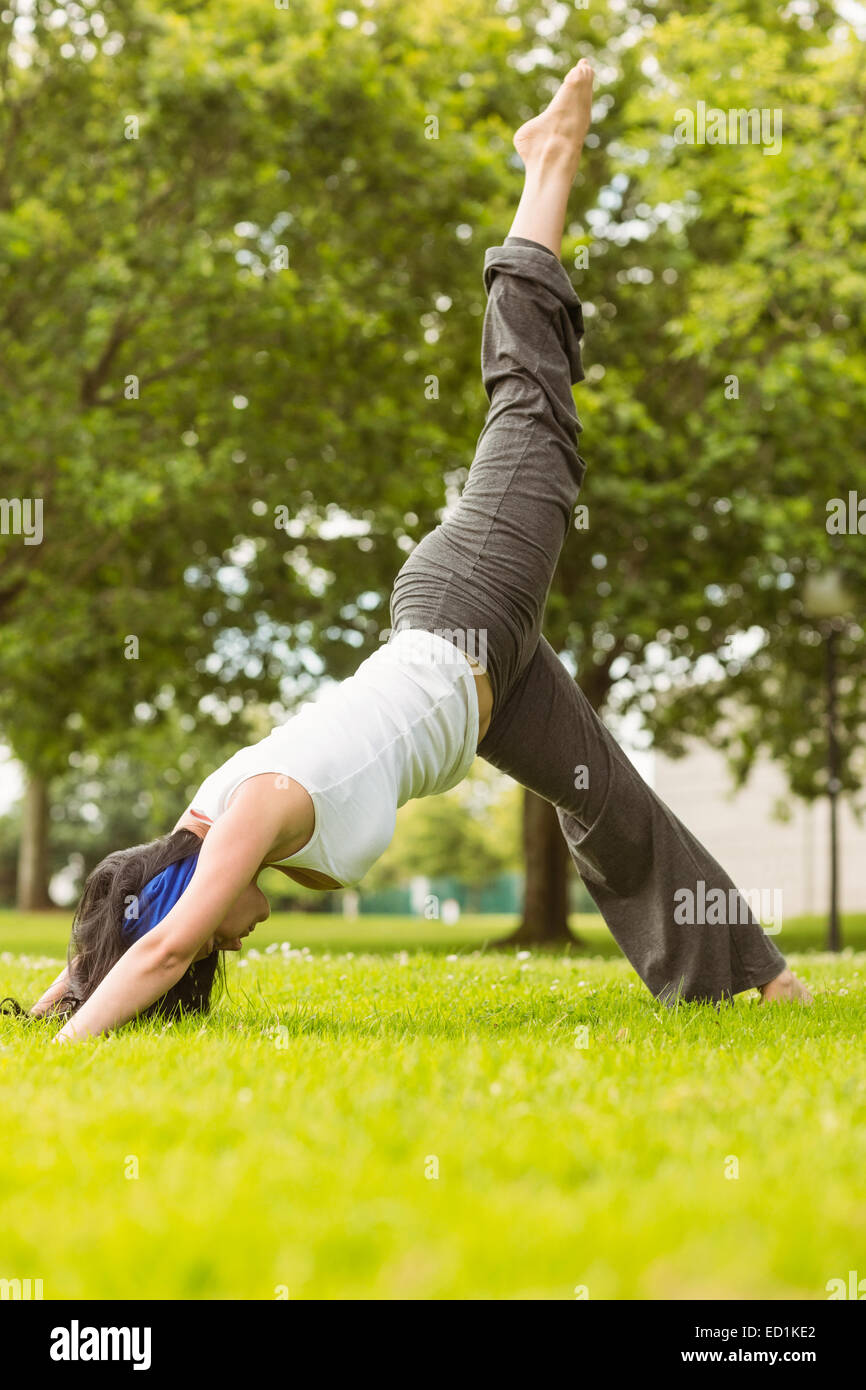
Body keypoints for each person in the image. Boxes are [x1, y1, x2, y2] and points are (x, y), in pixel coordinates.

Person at [29, 58, 809, 1042]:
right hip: (486, 684)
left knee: (533, 419)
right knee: (602, 800)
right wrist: (67, 983)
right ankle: (753, 981)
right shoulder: (213, 814)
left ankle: (549, 166)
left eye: (225, 933)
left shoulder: (248, 811)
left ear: (189, 882)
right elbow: (127, 926)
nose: (244, 934)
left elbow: (160, 946)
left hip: (464, 615)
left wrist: (67, 1047)